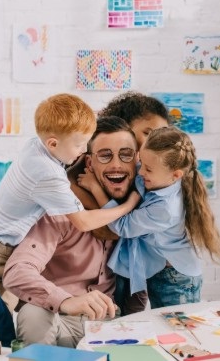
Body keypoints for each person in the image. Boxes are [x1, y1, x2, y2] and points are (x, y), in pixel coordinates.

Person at [0, 93, 138, 308]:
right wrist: (127, 206)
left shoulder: (37, 144)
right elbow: (83, 222)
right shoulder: (48, 173)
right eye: (80, 145)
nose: (83, 151)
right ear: (53, 143)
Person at [3, 116, 139, 348]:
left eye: (125, 155)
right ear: (88, 163)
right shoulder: (61, 212)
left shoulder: (141, 215)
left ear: (136, 161)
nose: (117, 164)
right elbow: (17, 272)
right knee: (33, 313)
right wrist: (67, 300)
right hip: (61, 320)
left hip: (111, 325)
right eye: (105, 155)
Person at [78, 127, 220, 308]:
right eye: (141, 161)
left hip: (176, 278)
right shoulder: (159, 176)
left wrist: (95, 187)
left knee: (175, 329)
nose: (140, 172)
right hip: (159, 268)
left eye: (147, 169)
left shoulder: (166, 209)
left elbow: (122, 226)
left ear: (175, 175)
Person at [95, 91, 170, 314]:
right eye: (148, 133)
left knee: (135, 312)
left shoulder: (148, 174)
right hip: (110, 267)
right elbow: (103, 229)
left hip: (137, 263)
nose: (156, 141)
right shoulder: (104, 167)